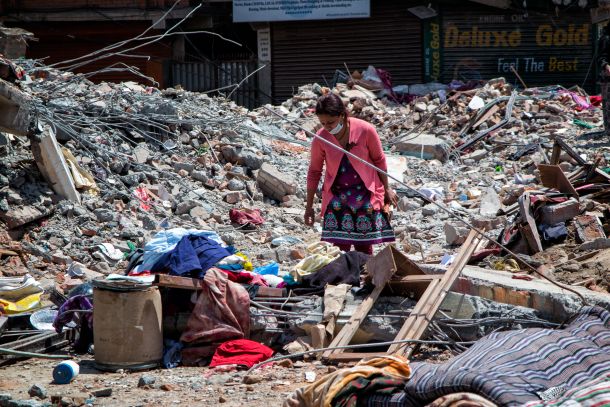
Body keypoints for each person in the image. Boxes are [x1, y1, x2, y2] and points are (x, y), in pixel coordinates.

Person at [304, 92, 397, 255]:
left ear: (341, 115)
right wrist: (309, 206)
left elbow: (379, 160)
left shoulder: (365, 130)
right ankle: (342, 278)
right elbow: (314, 171)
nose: (327, 127)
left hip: (365, 194)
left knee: (364, 248)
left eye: (331, 122)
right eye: (323, 123)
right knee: (338, 251)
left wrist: (386, 189)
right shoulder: (321, 138)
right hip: (337, 196)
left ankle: (365, 277)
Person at [598, 24, 610, 136]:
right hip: (607, 77)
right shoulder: (606, 38)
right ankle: (609, 130)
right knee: (608, 105)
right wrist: (606, 66)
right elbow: (601, 57)